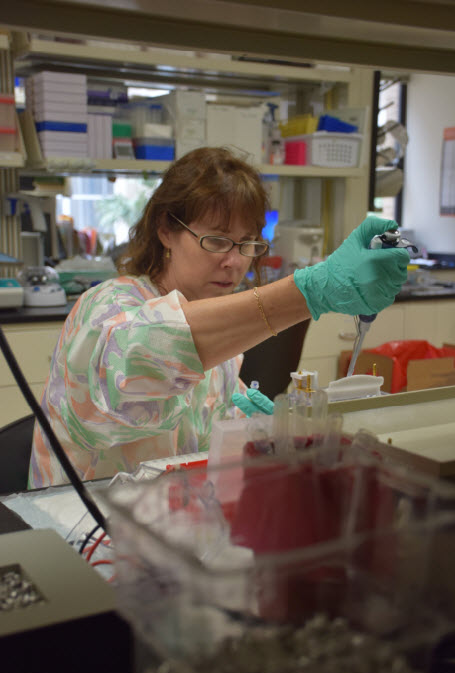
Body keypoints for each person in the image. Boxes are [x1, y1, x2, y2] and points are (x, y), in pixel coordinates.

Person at [28, 146, 409, 487]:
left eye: (247, 244)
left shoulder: (219, 332)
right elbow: (145, 356)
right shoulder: (108, 306)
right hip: (82, 534)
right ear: (165, 230)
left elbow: (211, 446)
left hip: (169, 529)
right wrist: (307, 292)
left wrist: (268, 429)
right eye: (217, 240)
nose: (234, 261)